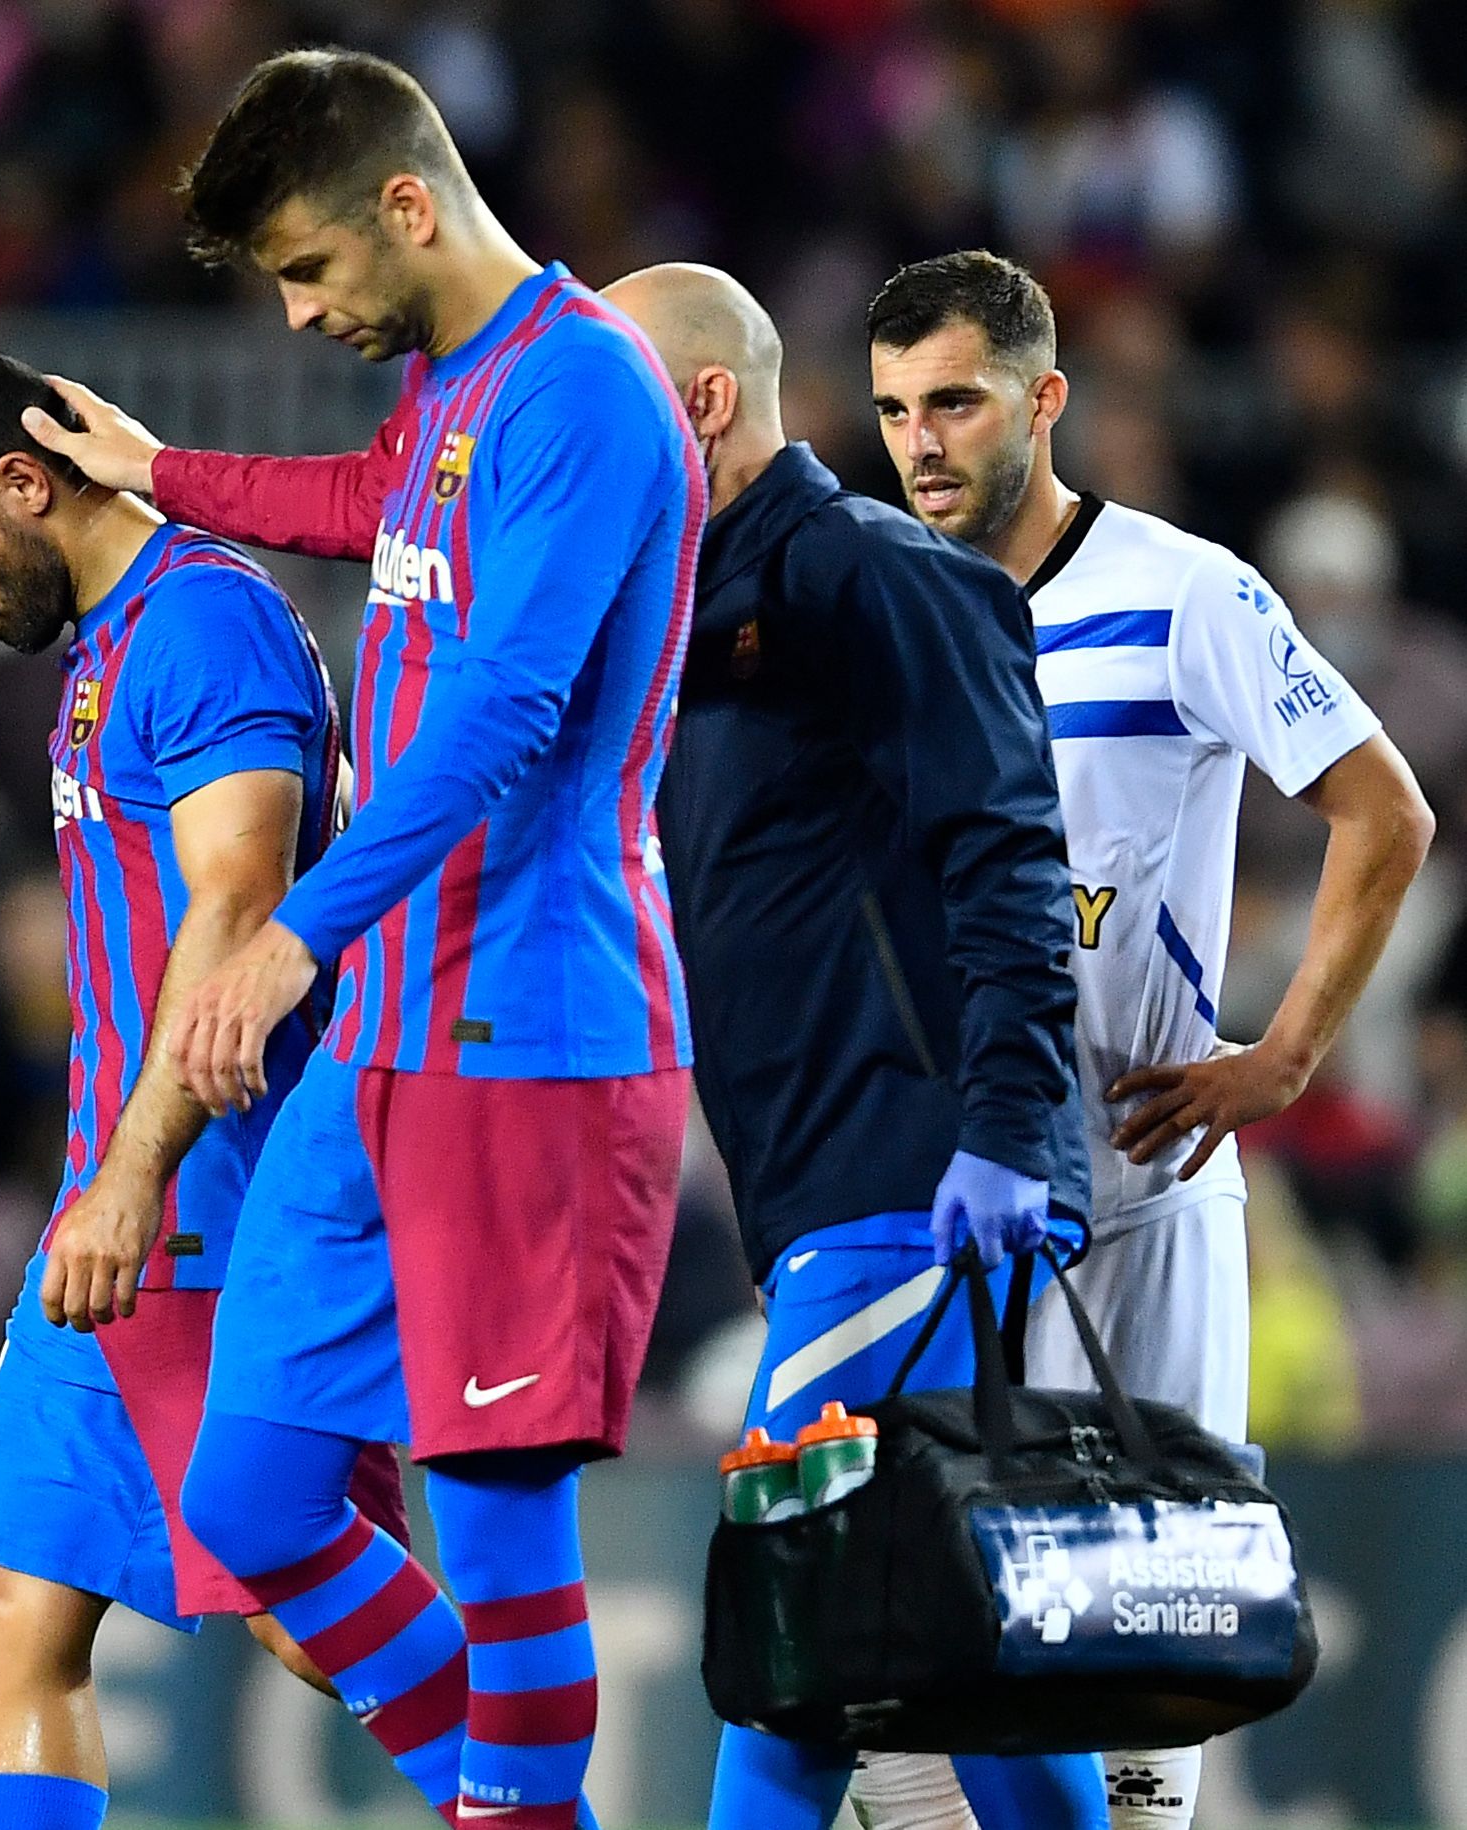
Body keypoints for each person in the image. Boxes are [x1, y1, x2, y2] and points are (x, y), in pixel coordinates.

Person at [26, 50, 695, 1826]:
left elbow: (507, 712)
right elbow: (363, 511)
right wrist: (162, 469)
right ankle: (509, 1795)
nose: (304, 307)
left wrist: (289, 937)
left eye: (310, 269)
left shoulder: (585, 393)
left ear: (409, 204)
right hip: (390, 1044)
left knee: (490, 1521)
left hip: (529, 1034)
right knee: (247, 1502)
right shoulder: (447, 391)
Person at [866, 249, 1435, 1830]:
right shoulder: (880, 605)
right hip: (946, 1194)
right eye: (896, 409)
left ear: (1043, 402)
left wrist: (1287, 1055)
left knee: (1134, 1648)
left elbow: (1384, 809)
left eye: (956, 401)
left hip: (1141, 1188)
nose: (921, 441)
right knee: (900, 1662)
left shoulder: (1184, 590)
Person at [0, 346, 411, 1830]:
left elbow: (236, 906)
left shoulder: (203, 625)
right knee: (9, 1600)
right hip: (117, 1206)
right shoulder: (113, 643)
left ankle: (536, 1789)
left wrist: (131, 1177)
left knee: (301, 1601)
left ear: (24, 486)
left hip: (213, 1202)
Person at [601, 263, 1110, 1830]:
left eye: (602, 414)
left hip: (914, 1171)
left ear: (695, 405)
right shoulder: (690, 616)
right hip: (828, 1185)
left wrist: (1010, 1128)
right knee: (945, 1648)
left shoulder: (875, 573)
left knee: (793, 1634)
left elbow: (1010, 855)